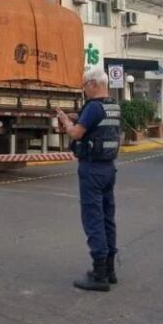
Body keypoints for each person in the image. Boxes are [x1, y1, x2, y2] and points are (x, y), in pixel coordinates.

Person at [56, 68, 120, 292]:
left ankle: (99, 274)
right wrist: (78, 118)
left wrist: (66, 121)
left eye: (84, 84)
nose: (83, 89)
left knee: (93, 219)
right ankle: (110, 269)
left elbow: (76, 134)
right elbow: (96, 124)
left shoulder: (93, 107)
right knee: (107, 218)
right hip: (108, 169)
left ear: (93, 84)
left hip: (92, 169)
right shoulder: (112, 105)